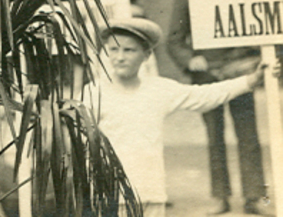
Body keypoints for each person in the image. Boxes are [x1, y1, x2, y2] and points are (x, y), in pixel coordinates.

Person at [89, 18, 267, 217]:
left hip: (150, 193)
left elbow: (205, 95)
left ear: (146, 55)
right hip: (111, 197)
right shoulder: (93, 93)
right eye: (113, 50)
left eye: (129, 50)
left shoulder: (157, 90)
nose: (120, 57)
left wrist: (251, 80)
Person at [166, 0, 266, 215]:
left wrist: (243, 60)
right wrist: (190, 59)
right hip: (207, 78)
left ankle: (253, 197)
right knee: (214, 137)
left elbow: (246, 35)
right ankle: (221, 197)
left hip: (238, 76)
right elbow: (174, 40)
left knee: (248, 135)